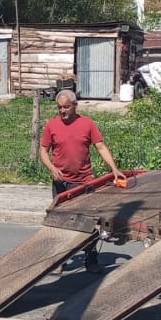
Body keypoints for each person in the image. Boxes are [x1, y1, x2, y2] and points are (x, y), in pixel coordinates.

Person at [38, 90, 125, 272]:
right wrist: (52, 168)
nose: (63, 111)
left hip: (84, 182)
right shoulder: (52, 126)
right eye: (60, 107)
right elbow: (43, 151)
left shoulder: (87, 124)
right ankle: (58, 260)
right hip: (61, 183)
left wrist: (114, 169)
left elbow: (100, 147)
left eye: (66, 107)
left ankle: (91, 260)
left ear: (75, 106)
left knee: (88, 223)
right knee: (59, 222)